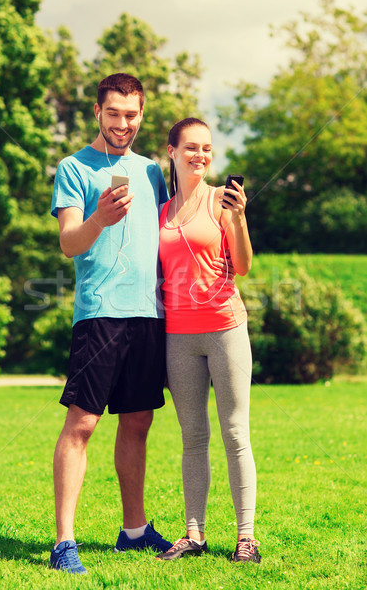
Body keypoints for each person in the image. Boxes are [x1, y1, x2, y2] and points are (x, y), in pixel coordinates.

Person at [49, 73, 172, 574]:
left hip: (148, 314)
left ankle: (134, 531)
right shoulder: (74, 167)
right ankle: (64, 543)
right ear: (97, 113)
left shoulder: (150, 172)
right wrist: (99, 218)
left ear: (141, 115)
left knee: (138, 421)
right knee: (82, 424)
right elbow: (69, 243)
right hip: (100, 313)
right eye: (114, 113)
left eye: (132, 114)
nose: (124, 123)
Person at [156, 118, 261, 563]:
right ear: (173, 152)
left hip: (224, 329)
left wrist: (237, 218)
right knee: (193, 437)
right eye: (192, 148)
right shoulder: (161, 212)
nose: (201, 155)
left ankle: (246, 537)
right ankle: (194, 534)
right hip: (178, 336)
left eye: (207, 148)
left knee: (236, 433)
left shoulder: (221, 201)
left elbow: (244, 263)